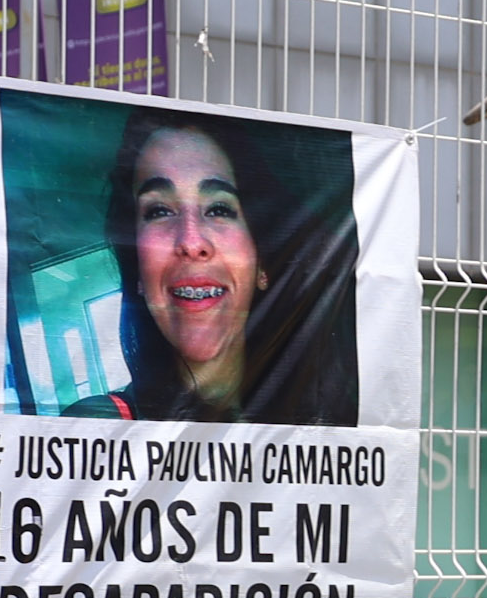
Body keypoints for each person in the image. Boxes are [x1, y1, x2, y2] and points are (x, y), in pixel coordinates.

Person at [67, 110, 351, 425]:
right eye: (159, 210)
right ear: (138, 271)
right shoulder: (97, 426)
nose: (190, 241)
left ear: (263, 265)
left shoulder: (332, 423)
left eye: (219, 209)